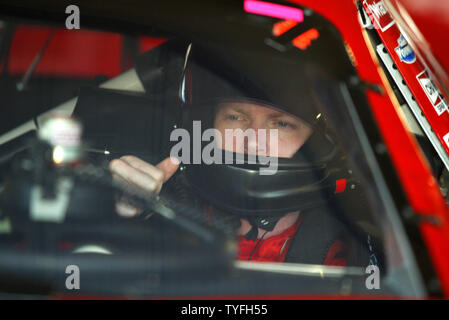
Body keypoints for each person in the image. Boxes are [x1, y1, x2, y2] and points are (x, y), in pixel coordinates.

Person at [109, 42, 373, 266]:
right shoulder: (165, 211)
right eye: (235, 117)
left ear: (314, 142)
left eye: (281, 124)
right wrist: (124, 220)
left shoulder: (355, 246)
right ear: (207, 127)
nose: (253, 144)